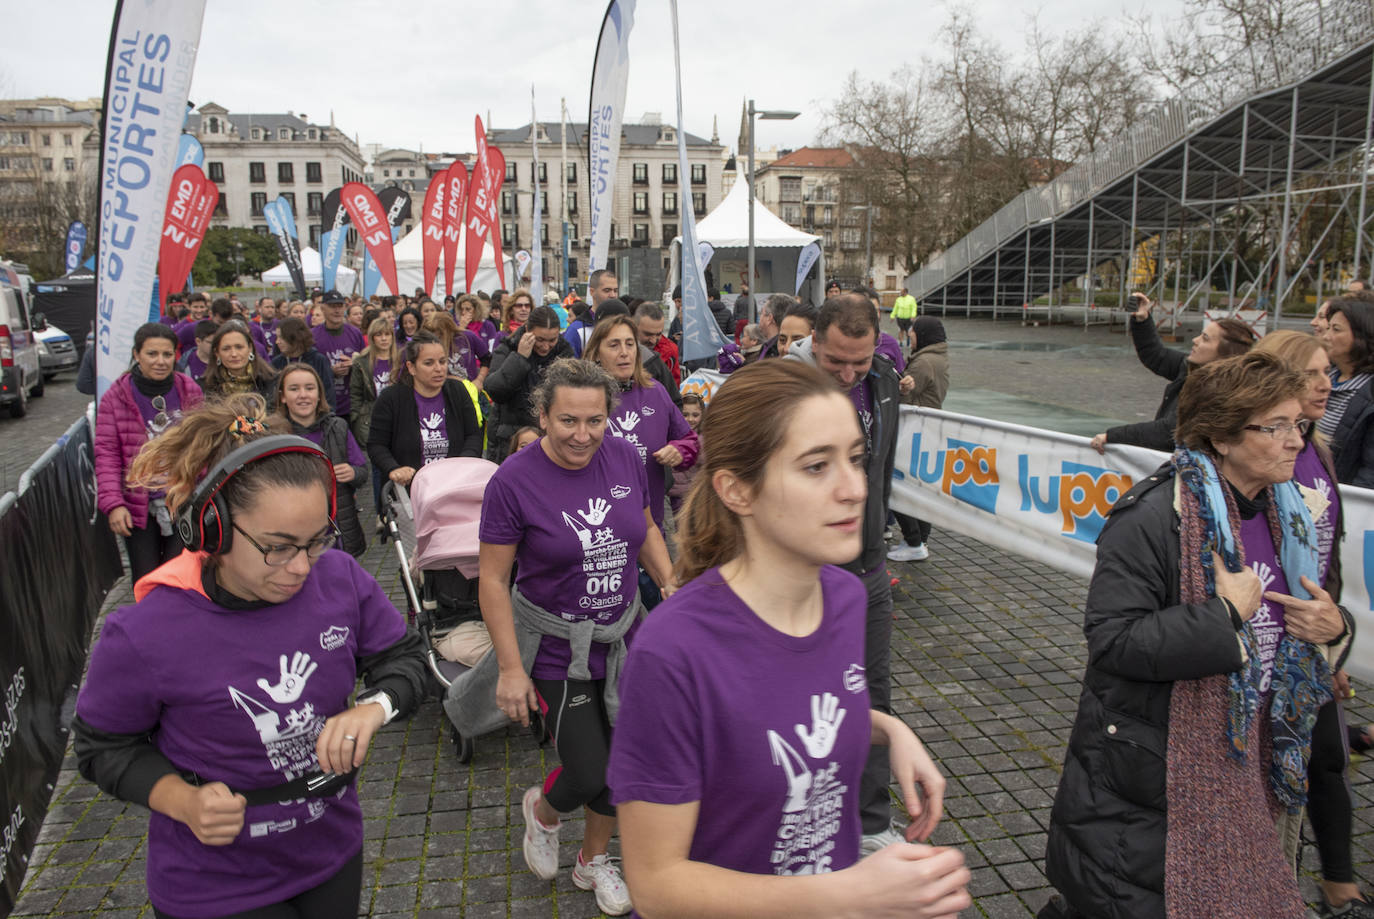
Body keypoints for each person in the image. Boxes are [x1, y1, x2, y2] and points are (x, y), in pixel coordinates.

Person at [608, 359, 969, 917]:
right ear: (737, 490)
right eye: (816, 466)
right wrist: (847, 896)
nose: (853, 489)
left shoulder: (846, 600)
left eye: (855, 458)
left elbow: (793, 709)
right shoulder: (673, 651)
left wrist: (890, 729)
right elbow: (657, 888)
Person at [72, 393, 426, 919]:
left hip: (330, 853)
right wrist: (181, 800)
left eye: (315, 541)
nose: (302, 568)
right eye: (277, 546)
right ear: (210, 527)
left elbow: (409, 660)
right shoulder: (145, 632)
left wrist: (372, 708)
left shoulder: (341, 579)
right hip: (213, 885)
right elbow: (102, 748)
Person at [1043, 351, 1350, 919]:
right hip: (1159, 772)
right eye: (1275, 427)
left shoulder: (1290, 515)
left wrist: (1335, 628)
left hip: (1258, 760)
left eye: (1298, 426)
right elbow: (1112, 640)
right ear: (1222, 438)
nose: (1296, 442)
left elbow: (1313, 621)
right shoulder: (1155, 516)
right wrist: (1223, 615)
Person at [474, 358, 675, 916]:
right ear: (542, 415)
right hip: (557, 647)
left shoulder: (624, 457)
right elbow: (492, 580)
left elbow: (647, 527)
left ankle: (593, 861)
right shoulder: (513, 481)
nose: (582, 435)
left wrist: (670, 581)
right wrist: (511, 670)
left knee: (626, 763)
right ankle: (543, 812)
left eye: (594, 421)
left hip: (622, 634)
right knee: (590, 770)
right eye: (567, 421)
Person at [1253, 331, 1368, 919]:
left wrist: (1334, 648)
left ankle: (1338, 883)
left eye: (1331, 372)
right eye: (1314, 374)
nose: (1329, 384)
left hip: (1313, 640)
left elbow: (1328, 557)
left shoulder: (1318, 450)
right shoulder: (1259, 457)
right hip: (1267, 643)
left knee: (1326, 758)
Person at [788, 292, 904, 855]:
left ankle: (872, 820)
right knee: (801, 699)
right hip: (803, 573)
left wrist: (876, 536)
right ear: (815, 340)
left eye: (859, 360)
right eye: (836, 360)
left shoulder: (882, 379)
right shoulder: (783, 386)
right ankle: (800, 816)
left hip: (869, 568)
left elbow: (880, 469)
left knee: (872, 693)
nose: (848, 372)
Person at [96, 322, 205, 582]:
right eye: (152, 354)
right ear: (136, 355)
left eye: (167, 354)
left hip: (182, 500)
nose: (161, 361)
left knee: (179, 576)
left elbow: (203, 444)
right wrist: (113, 505)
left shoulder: (188, 388)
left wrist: (196, 482)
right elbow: (106, 453)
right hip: (138, 506)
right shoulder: (115, 397)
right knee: (146, 578)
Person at [1089, 293, 1255, 454]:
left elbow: (1169, 432)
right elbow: (1156, 356)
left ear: (1225, 353)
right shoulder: (1192, 368)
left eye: (1205, 338)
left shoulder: (1218, 392)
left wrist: (1113, 435)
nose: (1195, 340)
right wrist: (1143, 319)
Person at [584, 315, 698, 534]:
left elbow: (689, 440)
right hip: (601, 531)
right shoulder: (582, 395)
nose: (624, 352)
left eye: (629, 344)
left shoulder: (655, 392)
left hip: (650, 526)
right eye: (614, 345)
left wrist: (679, 450)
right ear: (596, 353)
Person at [366, 333, 483, 489]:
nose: (439, 369)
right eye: (429, 363)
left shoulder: (458, 391)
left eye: (442, 362)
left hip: (453, 485)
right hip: (410, 489)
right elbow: (377, 445)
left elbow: (473, 435)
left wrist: (461, 465)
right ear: (411, 367)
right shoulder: (391, 398)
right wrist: (394, 468)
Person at [274, 365, 368, 557]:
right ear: (282, 396)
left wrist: (352, 473)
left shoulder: (338, 427)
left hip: (339, 529)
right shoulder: (275, 436)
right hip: (295, 532)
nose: (303, 395)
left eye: (309, 388)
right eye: (294, 389)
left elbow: (362, 471)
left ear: (319, 394)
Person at [890, 316, 950, 563]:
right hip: (927, 430)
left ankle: (915, 540)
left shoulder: (923, 362)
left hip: (914, 431)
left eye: (914, 332)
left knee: (901, 485)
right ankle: (919, 540)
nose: (910, 335)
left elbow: (903, 394)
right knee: (920, 486)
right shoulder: (936, 357)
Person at [485, 305, 573, 462]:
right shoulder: (507, 348)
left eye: (552, 340)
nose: (545, 346)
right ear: (527, 330)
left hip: (550, 437)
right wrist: (519, 358)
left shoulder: (564, 353)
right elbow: (494, 390)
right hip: (512, 439)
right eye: (539, 339)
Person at [1319, 298, 1374, 485]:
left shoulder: (1369, 392)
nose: (1326, 336)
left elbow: (1370, 470)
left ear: (1362, 336)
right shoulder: (1323, 376)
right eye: (1328, 328)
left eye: (1336, 329)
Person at [198, 322, 277, 409]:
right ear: (217, 353)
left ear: (250, 348)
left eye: (239, 347)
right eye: (226, 349)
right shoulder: (204, 386)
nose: (234, 354)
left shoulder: (272, 382)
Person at [313, 290, 366, 420]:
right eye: (332, 306)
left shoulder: (355, 333)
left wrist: (354, 364)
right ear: (322, 308)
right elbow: (308, 369)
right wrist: (329, 371)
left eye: (340, 306)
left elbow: (366, 364)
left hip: (352, 405)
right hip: (324, 406)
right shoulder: (313, 336)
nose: (337, 310)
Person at [271, 317, 337, 413]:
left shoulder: (318, 360)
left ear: (294, 337)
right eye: (277, 337)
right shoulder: (276, 363)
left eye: (281, 337)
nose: (277, 342)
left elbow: (328, 394)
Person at [423, 311, 490, 386]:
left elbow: (487, 359)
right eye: (432, 334)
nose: (436, 338)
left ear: (449, 329)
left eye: (440, 334)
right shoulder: (425, 344)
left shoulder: (467, 336)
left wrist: (479, 380)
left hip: (469, 389)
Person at [564, 270, 620, 357]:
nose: (613, 295)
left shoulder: (623, 324)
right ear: (592, 292)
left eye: (615, 291)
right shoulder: (576, 330)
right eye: (607, 290)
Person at [666, 392, 704, 516]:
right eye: (685, 415)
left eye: (695, 415)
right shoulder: (671, 436)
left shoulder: (704, 437)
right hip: (678, 494)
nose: (690, 419)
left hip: (697, 493)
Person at [634, 302, 681, 384]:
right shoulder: (622, 349)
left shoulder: (671, 351)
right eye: (648, 334)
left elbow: (673, 389)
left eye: (658, 334)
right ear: (634, 327)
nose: (653, 340)